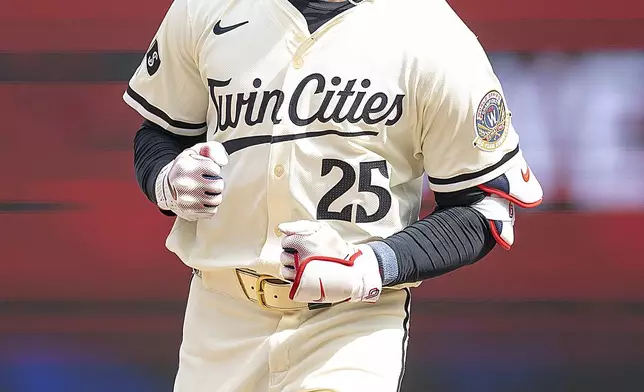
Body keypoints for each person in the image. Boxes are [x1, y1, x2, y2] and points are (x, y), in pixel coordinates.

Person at [125, 0, 544, 390]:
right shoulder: (205, 8)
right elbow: (163, 131)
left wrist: (371, 266)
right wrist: (166, 178)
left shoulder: (433, 32)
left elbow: (485, 207)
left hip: (349, 324)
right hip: (218, 316)